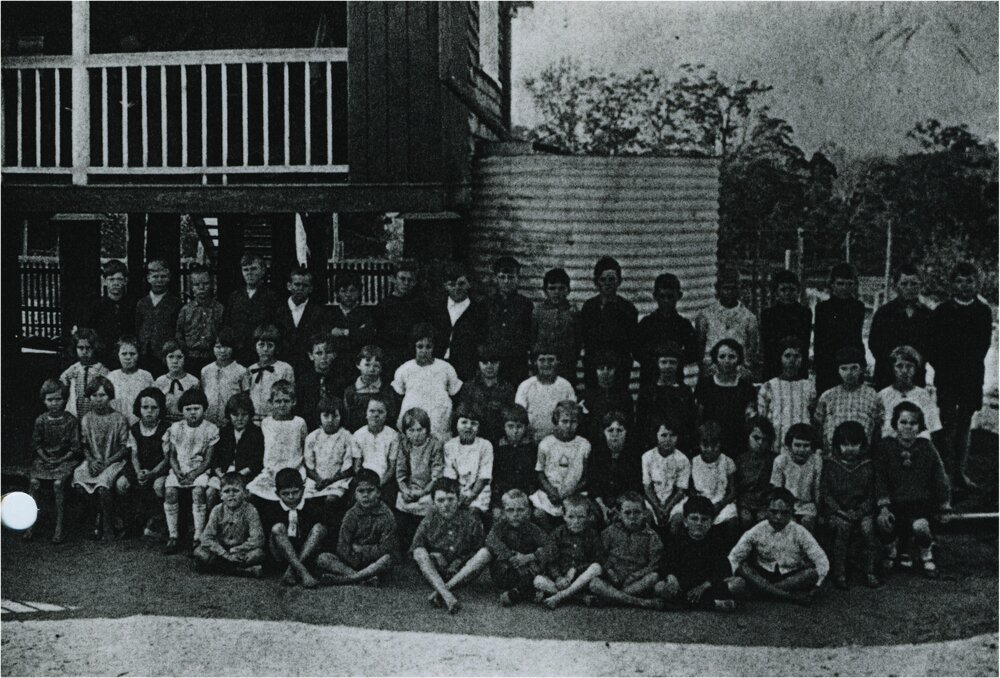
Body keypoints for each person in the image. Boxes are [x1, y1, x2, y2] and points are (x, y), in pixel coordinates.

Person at [926, 261, 992, 490]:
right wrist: (946, 368)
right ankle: (944, 474)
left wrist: (966, 369)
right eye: (960, 281)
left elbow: (982, 347)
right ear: (952, 284)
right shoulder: (942, 311)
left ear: (977, 283)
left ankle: (960, 473)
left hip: (971, 377)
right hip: (947, 377)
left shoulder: (983, 312)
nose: (964, 286)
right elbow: (932, 345)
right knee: (946, 424)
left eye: (969, 281)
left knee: (965, 424)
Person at [875, 402, 951, 578]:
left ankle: (926, 552)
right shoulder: (886, 447)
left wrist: (944, 503)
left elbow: (940, 477)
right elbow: (879, 478)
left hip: (920, 503)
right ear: (895, 424)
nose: (908, 426)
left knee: (920, 526)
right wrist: (883, 506)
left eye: (913, 423)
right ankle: (891, 550)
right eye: (903, 422)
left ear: (920, 426)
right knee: (883, 523)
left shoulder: (927, 448)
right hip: (894, 503)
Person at [727, 487, 830, 605]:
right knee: (743, 568)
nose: (778, 517)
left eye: (785, 513)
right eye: (774, 512)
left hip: (790, 575)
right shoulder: (757, 530)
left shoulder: (800, 531)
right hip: (762, 575)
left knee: (812, 574)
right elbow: (734, 557)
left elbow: (822, 560)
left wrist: (817, 586)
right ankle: (788, 597)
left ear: (792, 512)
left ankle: (762, 593)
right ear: (766, 511)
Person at [411, 477, 491, 614]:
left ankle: (443, 591)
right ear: (434, 503)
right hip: (436, 572)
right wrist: (434, 555)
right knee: (419, 552)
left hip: (461, 573)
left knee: (485, 553)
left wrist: (459, 561)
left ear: (459, 500)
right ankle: (448, 596)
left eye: (450, 499)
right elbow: (415, 548)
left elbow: (477, 549)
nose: (446, 504)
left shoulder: (471, 520)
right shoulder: (429, 520)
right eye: (440, 500)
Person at [71, 376, 130, 542]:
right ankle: (98, 515)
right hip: (94, 460)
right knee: (79, 481)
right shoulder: (86, 418)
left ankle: (107, 526)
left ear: (110, 396)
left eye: (102, 395)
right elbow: (84, 445)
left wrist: (107, 462)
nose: (98, 400)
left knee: (103, 487)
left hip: (113, 460)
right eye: (95, 396)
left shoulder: (119, 419)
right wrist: (90, 460)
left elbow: (124, 447)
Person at [316, 469, 398, 586]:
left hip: (374, 561)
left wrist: (361, 550)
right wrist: (354, 559)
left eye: (370, 490)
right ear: (355, 494)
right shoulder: (351, 514)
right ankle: (362, 577)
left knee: (387, 559)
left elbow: (386, 548)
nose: (365, 495)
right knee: (323, 558)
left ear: (379, 492)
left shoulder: (387, 515)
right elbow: (342, 547)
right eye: (361, 491)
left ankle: (346, 579)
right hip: (352, 560)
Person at [821, 421, 879, 589]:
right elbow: (825, 493)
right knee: (843, 527)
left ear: (862, 445)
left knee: (868, 529)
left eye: (854, 444)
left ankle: (870, 571)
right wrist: (839, 511)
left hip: (860, 510)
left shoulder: (867, 466)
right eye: (845, 444)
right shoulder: (830, 465)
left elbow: (871, 495)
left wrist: (860, 511)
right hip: (836, 511)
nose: (850, 448)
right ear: (838, 445)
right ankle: (840, 573)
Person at [162, 388, 218, 554]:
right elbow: (172, 455)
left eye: (196, 408)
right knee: (170, 491)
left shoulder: (210, 429)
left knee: (199, 491)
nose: (192, 413)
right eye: (188, 409)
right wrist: (177, 471)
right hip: (180, 468)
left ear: (204, 409)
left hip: (199, 470)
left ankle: (198, 536)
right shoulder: (176, 428)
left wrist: (195, 474)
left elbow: (208, 460)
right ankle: (173, 535)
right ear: (182, 411)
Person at [589, 492, 666, 610]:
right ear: (619, 514)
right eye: (627, 513)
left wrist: (634, 576)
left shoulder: (651, 536)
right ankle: (641, 602)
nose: (632, 516)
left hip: (635, 582)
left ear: (644, 514)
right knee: (594, 583)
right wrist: (610, 572)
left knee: (653, 577)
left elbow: (654, 564)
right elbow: (600, 555)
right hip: (613, 578)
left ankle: (613, 597)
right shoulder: (610, 531)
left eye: (637, 512)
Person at [660, 496, 737, 612]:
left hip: (707, 586)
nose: (699, 523)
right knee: (659, 588)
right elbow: (666, 563)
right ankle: (712, 604)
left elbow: (724, 570)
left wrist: (705, 585)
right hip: (684, 585)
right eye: (694, 519)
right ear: (685, 521)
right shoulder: (677, 540)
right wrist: (671, 577)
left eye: (704, 519)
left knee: (738, 584)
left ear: (711, 522)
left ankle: (684, 604)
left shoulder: (716, 541)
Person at [26, 379, 81, 543]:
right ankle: (30, 524)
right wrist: (45, 458)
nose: (54, 403)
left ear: (64, 400)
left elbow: (75, 448)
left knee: (58, 484)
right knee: (34, 482)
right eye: (50, 400)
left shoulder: (70, 420)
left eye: (58, 399)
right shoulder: (41, 420)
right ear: (44, 400)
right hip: (44, 459)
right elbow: (36, 445)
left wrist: (60, 460)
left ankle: (59, 526)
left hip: (65, 460)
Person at [392, 323, 463, 443]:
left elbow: (455, 393)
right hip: (413, 423)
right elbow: (398, 395)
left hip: (439, 422)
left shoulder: (445, 368)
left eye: (428, 347)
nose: (424, 351)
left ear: (434, 347)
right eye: (420, 347)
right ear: (414, 347)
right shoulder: (404, 369)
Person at [868, 263, 932, 390]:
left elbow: (934, 345)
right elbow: (874, 343)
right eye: (904, 284)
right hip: (886, 377)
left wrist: (917, 355)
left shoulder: (928, 315)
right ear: (895, 286)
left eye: (914, 284)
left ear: (921, 286)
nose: (909, 288)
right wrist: (895, 355)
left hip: (915, 378)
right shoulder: (884, 313)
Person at [534, 495, 604, 609]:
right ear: (563, 515)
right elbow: (551, 560)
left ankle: (559, 596)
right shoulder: (557, 534)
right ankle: (579, 597)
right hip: (561, 580)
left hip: (581, 579)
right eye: (571, 517)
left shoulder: (592, 534)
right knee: (538, 581)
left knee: (596, 568)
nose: (576, 521)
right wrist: (558, 577)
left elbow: (597, 559)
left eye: (581, 517)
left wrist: (575, 571)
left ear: (588, 516)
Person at [669, 421, 738, 538]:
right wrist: (698, 504)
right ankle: (679, 550)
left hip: (719, 502)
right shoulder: (693, 462)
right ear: (699, 444)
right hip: (697, 501)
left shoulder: (727, 462)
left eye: (715, 445)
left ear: (720, 444)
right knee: (676, 519)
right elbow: (689, 489)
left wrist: (719, 505)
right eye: (705, 445)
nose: (710, 449)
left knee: (732, 521)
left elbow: (732, 492)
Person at [117, 387, 170, 539]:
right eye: (145, 407)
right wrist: (139, 471)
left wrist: (152, 473)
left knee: (158, 486)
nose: (149, 411)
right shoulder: (134, 429)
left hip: (159, 468)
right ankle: (130, 522)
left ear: (160, 409)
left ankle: (159, 522)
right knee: (121, 484)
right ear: (138, 408)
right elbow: (133, 454)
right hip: (139, 466)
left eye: (154, 408)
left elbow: (167, 458)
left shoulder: (166, 429)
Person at [261, 467, 327, 588]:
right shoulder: (272, 509)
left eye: (295, 492)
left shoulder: (311, 507)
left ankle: (293, 569)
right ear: (277, 493)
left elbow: (319, 536)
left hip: (304, 553)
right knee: (277, 528)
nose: (291, 497)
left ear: (302, 490)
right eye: (285, 494)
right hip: (280, 555)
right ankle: (302, 572)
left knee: (319, 528)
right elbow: (270, 542)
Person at [580, 256, 638, 392]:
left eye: (611, 279)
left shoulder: (627, 309)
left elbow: (632, 342)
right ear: (596, 282)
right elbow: (584, 338)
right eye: (603, 279)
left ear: (619, 281)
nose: (607, 283)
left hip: (619, 368)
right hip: (594, 367)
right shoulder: (589, 307)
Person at [529, 401, 591, 529]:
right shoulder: (546, 444)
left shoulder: (584, 445)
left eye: (573, 422)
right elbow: (540, 472)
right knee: (539, 514)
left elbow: (585, 476)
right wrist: (551, 491)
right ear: (556, 421)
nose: (568, 426)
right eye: (564, 421)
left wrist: (571, 491)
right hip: (551, 493)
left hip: (574, 493)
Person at [635, 273, 700, 394]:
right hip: (649, 383)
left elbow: (694, 352)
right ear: (655, 296)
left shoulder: (683, 325)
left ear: (679, 296)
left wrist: (675, 358)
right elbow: (636, 350)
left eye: (670, 297)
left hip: (675, 381)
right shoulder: (646, 324)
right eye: (662, 296)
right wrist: (655, 358)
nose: (666, 301)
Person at [193, 472, 266, 578]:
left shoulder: (251, 510)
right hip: (221, 551)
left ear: (245, 493)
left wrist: (236, 550)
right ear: (220, 495)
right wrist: (225, 554)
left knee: (259, 554)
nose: (231, 495)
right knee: (199, 551)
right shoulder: (217, 510)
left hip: (241, 551)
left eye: (236, 491)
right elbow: (206, 538)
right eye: (227, 491)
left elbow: (258, 539)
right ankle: (240, 571)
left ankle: (217, 568)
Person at [246, 380, 308, 503]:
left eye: (286, 401)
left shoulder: (299, 422)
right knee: (250, 491)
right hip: (271, 471)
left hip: (294, 470)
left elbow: (303, 445)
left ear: (293, 402)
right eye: (278, 401)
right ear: (271, 403)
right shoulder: (266, 423)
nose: (282, 405)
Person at [813, 346, 883, 454]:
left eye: (854, 368)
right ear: (838, 370)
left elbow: (878, 428)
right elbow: (818, 426)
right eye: (844, 368)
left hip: (862, 455)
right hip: (833, 455)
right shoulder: (827, 396)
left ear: (861, 369)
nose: (849, 373)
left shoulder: (873, 395)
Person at [695, 338, 757, 456]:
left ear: (739, 359)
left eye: (731, 357)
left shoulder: (746, 387)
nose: (727, 361)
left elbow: (749, 420)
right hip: (711, 445)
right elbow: (698, 417)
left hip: (737, 445)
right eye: (722, 356)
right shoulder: (705, 385)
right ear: (715, 359)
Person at [696, 269, 760, 379]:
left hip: (738, 373)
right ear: (718, 289)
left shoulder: (749, 317)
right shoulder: (705, 315)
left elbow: (752, 348)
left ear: (739, 289)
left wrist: (744, 367)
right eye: (726, 288)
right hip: (711, 371)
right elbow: (699, 346)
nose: (729, 292)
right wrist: (706, 368)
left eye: (733, 288)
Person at [635, 341, 697, 453]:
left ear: (678, 365)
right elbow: (641, 423)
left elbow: (690, 423)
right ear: (657, 364)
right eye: (664, 362)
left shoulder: (685, 392)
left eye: (672, 362)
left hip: (680, 448)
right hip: (652, 449)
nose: (668, 366)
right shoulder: (648, 392)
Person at [813, 263, 865, 396]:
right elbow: (819, 340)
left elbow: (857, 337)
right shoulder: (823, 308)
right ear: (832, 284)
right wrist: (820, 366)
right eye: (840, 284)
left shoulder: (858, 307)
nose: (845, 288)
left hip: (852, 363)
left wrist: (861, 363)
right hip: (828, 364)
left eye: (849, 284)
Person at [757, 336, 816, 453]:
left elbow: (813, 417)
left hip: (802, 447)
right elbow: (762, 420)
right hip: (776, 447)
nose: (792, 360)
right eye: (787, 356)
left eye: (796, 356)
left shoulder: (809, 386)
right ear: (780, 358)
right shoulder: (769, 386)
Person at [395, 407, 445, 544]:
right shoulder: (404, 444)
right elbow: (401, 472)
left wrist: (423, 492)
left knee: (426, 509)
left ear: (427, 429)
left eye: (420, 430)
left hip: (428, 489)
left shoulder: (434, 444)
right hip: (410, 488)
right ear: (405, 431)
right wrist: (405, 489)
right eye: (411, 430)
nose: (416, 435)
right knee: (401, 509)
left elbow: (436, 474)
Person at [303, 397, 355, 526]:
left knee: (331, 500)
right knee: (307, 500)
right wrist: (319, 480)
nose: (330, 420)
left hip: (338, 480)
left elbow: (348, 467)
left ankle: (328, 530)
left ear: (341, 416)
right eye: (326, 416)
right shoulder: (312, 437)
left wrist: (330, 480)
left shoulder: (347, 437)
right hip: (316, 479)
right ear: (319, 417)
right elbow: (309, 466)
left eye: (335, 416)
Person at [482, 256, 534, 386]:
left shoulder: (525, 304)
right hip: (492, 364)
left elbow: (530, 335)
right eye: (502, 277)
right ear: (496, 278)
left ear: (517, 279)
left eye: (511, 277)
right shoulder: (486, 304)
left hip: (516, 365)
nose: (506, 281)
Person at [374, 261, 431, 377]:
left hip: (414, 358)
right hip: (390, 359)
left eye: (410, 280)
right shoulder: (384, 305)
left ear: (415, 282)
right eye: (402, 279)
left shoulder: (421, 305)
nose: (406, 283)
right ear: (394, 279)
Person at [222, 254, 280, 367]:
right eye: (245, 270)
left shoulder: (272, 297)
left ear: (263, 271)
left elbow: (277, 326)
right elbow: (227, 324)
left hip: (262, 355)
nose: (249, 273)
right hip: (238, 355)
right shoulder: (235, 297)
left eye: (253, 269)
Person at [586, 410, 643, 525]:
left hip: (625, 502)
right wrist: (603, 508)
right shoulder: (596, 453)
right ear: (604, 432)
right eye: (610, 430)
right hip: (600, 501)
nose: (615, 434)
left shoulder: (634, 454)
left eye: (619, 430)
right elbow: (593, 486)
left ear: (626, 432)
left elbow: (634, 486)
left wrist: (619, 509)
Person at [431, 262, 484, 382]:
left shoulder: (478, 311)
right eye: (452, 284)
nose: (456, 288)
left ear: (469, 284)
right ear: (445, 286)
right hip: (438, 367)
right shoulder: (437, 309)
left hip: (465, 370)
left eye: (461, 284)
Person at [443, 402, 494, 522]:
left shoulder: (485, 445)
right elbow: (449, 475)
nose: (468, 426)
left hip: (479, 492)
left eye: (473, 423)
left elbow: (484, 475)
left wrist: (471, 496)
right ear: (456, 424)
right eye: (464, 422)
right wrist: (458, 495)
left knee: (472, 514)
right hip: (456, 491)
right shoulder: (449, 446)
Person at [457, 343, 516, 446]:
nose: (489, 366)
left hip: (500, 442)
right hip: (473, 441)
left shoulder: (507, 389)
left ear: (499, 363)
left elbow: (511, 417)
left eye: (493, 362)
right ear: (478, 363)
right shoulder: (468, 387)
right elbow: (462, 415)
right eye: (485, 362)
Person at [877, 346, 941, 440]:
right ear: (893, 369)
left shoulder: (924, 395)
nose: (904, 371)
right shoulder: (882, 395)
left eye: (909, 366)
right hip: (891, 447)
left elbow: (933, 427)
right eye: (899, 366)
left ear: (915, 369)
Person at [515, 347, 576, 443]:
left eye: (551, 360)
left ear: (558, 361)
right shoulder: (526, 386)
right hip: (531, 441)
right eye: (542, 360)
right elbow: (518, 416)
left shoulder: (565, 386)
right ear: (535, 362)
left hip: (559, 441)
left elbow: (572, 416)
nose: (546, 364)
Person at [83, 260, 137, 368]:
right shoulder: (96, 306)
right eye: (111, 279)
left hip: (127, 358)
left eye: (119, 279)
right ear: (104, 281)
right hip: (103, 358)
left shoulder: (133, 305)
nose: (115, 283)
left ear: (126, 281)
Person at [769, 423, 822, 532]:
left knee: (807, 522)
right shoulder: (781, 461)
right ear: (789, 447)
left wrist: (820, 512)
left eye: (806, 446)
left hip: (807, 504)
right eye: (797, 445)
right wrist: (786, 510)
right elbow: (778, 491)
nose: (802, 450)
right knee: (789, 525)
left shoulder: (816, 461)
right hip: (786, 504)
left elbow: (817, 489)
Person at [276, 266, 330, 374]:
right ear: (289, 286)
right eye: (297, 284)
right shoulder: (276, 311)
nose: (300, 289)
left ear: (311, 289)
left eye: (305, 286)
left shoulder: (319, 313)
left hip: (308, 368)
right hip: (281, 366)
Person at [531, 267, 581, 384]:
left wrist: (571, 359)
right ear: (545, 290)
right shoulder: (538, 312)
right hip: (544, 368)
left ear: (568, 290)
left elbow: (578, 342)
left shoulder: (573, 313)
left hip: (567, 368)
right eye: (552, 288)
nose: (556, 292)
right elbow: (532, 339)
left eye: (561, 288)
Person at [760, 269, 811, 381]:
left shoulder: (805, 314)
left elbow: (804, 343)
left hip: (798, 366)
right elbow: (767, 345)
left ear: (798, 291)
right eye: (783, 290)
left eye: (792, 290)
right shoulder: (768, 315)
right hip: (773, 367)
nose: (788, 293)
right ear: (776, 293)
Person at [642, 417, 691, 532]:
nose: (668, 439)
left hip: (675, 502)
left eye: (672, 435)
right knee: (646, 518)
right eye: (663, 435)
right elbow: (647, 487)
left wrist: (667, 508)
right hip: (652, 501)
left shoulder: (683, 459)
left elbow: (681, 490)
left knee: (677, 521)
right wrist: (658, 508)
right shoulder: (647, 457)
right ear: (656, 436)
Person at [175, 264, 225, 376]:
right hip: (190, 359)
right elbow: (179, 333)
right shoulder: (185, 310)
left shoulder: (219, 309)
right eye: (197, 285)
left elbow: (223, 333)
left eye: (205, 284)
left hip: (213, 358)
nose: (201, 288)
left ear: (212, 284)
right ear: (192, 287)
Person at [489, 405, 537, 521]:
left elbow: (533, 478)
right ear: (504, 427)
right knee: (498, 516)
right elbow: (495, 477)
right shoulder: (498, 448)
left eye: (519, 427)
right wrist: (497, 501)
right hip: (502, 494)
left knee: (527, 515)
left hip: (525, 494)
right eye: (510, 427)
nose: (515, 431)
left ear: (525, 427)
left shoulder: (531, 448)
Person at [136, 259, 183, 375]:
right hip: (144, 355)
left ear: (169, 278)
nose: (159, 280)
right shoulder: (142, 303)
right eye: (155, 277)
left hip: (164, 355)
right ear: (148, 278)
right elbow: (137, 326)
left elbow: (178, 329)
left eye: (163, 276)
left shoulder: (175, 303)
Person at [350, 395, 400, 500]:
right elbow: (357, 466)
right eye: (372, 411)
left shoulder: (393, 435)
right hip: (363, 479)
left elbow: (391, 467)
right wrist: (365, 485)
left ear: (386, 414)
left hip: (385, 480)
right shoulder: (358, 435)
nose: (376, 415)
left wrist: (379, 484)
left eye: (380, 412)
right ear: (366, 414)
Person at [210, 393, 264, 491]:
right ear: (229, 415)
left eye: (244, 415)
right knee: (211, 492)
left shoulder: (256, 433)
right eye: (235, 415)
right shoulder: (223, 432)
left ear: (250, 414)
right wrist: (220, 474)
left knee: (243, 491)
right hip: (223, 474)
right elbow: (215, 458)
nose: (240, 418)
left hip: (245, 475)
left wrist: (239, 475)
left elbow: (257, 461)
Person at [328, 271, 376, 380]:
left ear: (360, 292)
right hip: (335, 366)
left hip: (359, 366)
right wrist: (356, 332)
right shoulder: (330, 314)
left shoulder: (366, 313)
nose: (348, 295)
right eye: (343, 291)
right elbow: (328, 336)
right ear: (336, 293)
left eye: (352, 290)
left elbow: (367, 335)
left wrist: (345, 332)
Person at [578, 349, 633, 442]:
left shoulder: (624, 396)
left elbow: (628, 426)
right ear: (595, 370)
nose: (605, 372)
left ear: (615, 370)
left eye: (610, 368)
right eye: (601, 368)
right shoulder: (587, 396)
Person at [342, 345, 399, 434]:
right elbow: (347, 419)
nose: (371, 369)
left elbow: (391, 417)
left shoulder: (388, 391)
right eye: (367, 365)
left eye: (376, 366)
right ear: (358, 365)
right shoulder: (350, 392)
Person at [245, 324, 295, 422]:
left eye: (270, 345)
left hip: (276, 419)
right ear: (255, 347)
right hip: (254, 419)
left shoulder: (285, 368)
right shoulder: (250, 369)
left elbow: (290, 395)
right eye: (261, 345)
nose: (265, 349)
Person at [295, 334, 345, 431]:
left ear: (334, 355)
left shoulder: (340, 380)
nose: (324, 357)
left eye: (328, 352)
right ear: (311, 356)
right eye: (319, 353)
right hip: (310, 427)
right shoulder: (304, 381)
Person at [734, 417, 776, 529]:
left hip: (765, 502)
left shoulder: (774, 460)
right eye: (756, 438)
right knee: (745, 519)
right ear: (748, 437)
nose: (760, 443)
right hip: (744, 502)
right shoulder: (740, 460)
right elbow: (736, 488)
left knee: (763, 519)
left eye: (765, 439)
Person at [200, 328, 248, 427]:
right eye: (218, 347)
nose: (222, 351)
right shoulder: (206, 370)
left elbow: (245, 396)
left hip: (231, 421)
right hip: (209, 421)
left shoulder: (241, 371)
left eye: (226, 347)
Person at [60, 327, 109, 419]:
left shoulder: (102, 371)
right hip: (75, 415)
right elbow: (61, 387)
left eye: (88, 348)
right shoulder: (73, 369)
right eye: (80, 348)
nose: (84, 352)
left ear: (94, 348)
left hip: (96, 416)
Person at [107, 336, 154, 424]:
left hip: (140, 424)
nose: (128, 357)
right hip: (116, 424)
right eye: (124, 354)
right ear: (118, 355)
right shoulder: (111, 376)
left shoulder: (146, 376)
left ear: (138, 355)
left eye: (132, 354)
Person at [154, 339, 200, 422]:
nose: (175, 361)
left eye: (179, 357)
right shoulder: (159, 382)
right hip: (164, 423)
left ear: (185, 358)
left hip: (186, 423)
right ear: (165, 359)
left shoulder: (193, 381)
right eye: (171, 357)